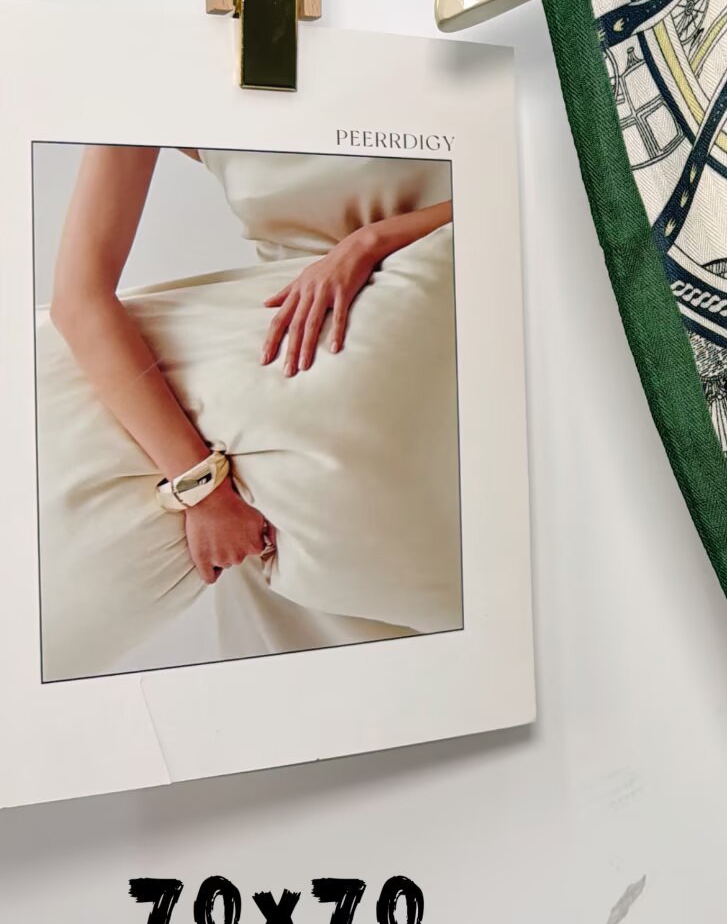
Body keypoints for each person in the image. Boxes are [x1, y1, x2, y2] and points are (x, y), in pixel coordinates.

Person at [35, 145, 462, 680]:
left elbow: (535, 172)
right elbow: (78, 301)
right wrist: (204, 490)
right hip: (288, 359)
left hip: (438, 315)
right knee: (55, 386)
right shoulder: (150, 100)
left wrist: (370, 242)